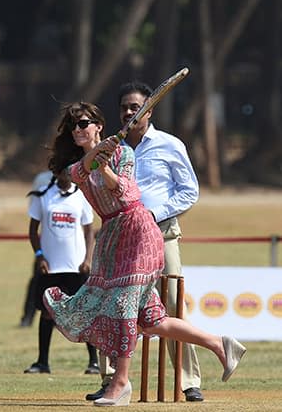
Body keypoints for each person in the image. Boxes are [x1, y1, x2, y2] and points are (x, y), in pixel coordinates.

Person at [42, 102, 246, 407]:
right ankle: (220, 344)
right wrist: (97, 156)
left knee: (124, 305)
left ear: (98, 125)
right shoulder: (75, 167)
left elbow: (125, 192)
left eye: (84, 123)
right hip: (112, 237)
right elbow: (83, 171)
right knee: (151, 320)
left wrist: (108, 164)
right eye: (73, 126)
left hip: (139, 230)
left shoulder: (124, 153)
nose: (78, 129)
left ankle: (120, 382)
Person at [23, 167, 100, 375]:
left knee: (83, 312)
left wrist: (88, 259)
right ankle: (42, 362)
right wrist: (39, 255)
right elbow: (33, 230)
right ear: (56, 174)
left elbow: (89, 231)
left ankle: (94, 362)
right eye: (63, 172)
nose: (67, 176)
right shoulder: (43, 196)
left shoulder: (81, 195)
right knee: (47, 313)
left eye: (70, 172)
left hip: (76, 267)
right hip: (51, 267)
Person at [19, 170, 53, 328]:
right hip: (46, 241)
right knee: (37, 281)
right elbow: (34, 210)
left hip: (71, 242)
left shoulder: (78, 176)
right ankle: (27, 317)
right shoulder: (42, 179)